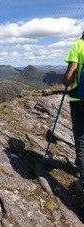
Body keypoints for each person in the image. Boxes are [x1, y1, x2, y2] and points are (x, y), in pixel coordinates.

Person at [64, 31, 84, 187]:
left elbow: (69, 77)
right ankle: (79, 166)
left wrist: (66, 82)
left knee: (81, 140)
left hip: (79, 99)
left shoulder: (79, 45)